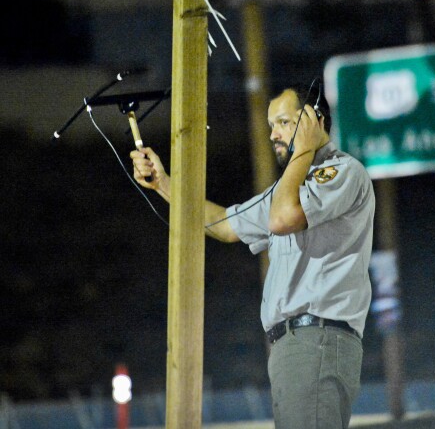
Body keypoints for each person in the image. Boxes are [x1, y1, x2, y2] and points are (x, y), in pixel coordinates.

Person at [131, 82, 376, 428]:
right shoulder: (288, 190)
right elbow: (224, 224)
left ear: (315, 120)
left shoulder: (341, 171)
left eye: (284, 122)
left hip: (317, 340)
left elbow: (280, 218)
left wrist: (304, 150)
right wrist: (163, 184)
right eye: (270, 125)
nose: (274, 133)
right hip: (295, 347)